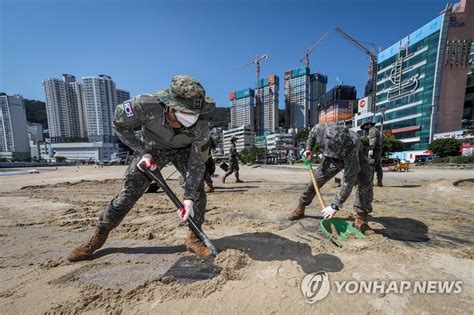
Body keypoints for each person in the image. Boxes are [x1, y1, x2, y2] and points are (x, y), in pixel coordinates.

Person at [67, 75, 216, 262]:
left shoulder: (201, 125)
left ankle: (194, 238)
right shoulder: (144, 104)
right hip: (151, 148)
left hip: (184, 150)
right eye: (182, 117)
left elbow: (196, 163)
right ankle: (98, 236)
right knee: (130, 191)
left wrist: (188, 197)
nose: (186, 123)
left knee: (197, 191)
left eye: (191, 118)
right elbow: (119, 125)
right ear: (170, 105)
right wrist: (141, 150)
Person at [288, 123, 375, 235]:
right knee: (316, 180)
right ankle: (301, 207)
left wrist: (335, 206)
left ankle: (360, 220)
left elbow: (348, 181)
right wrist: (308, 149)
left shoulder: (353, 143)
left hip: (353, 156)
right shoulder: (320, 130)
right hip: (331, 158)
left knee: (365, 181)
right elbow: (312, 134)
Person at [360, 121, 383, 187]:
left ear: (369, 125)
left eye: (365, 126)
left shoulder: (372, 130)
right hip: (378, 149)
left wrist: (371, 149)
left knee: (371, 165)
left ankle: (370, 181)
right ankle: (379, 182)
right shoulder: (376, 130)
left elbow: (373, 140)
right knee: (378, 166)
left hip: (375, 149)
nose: (364, 128)